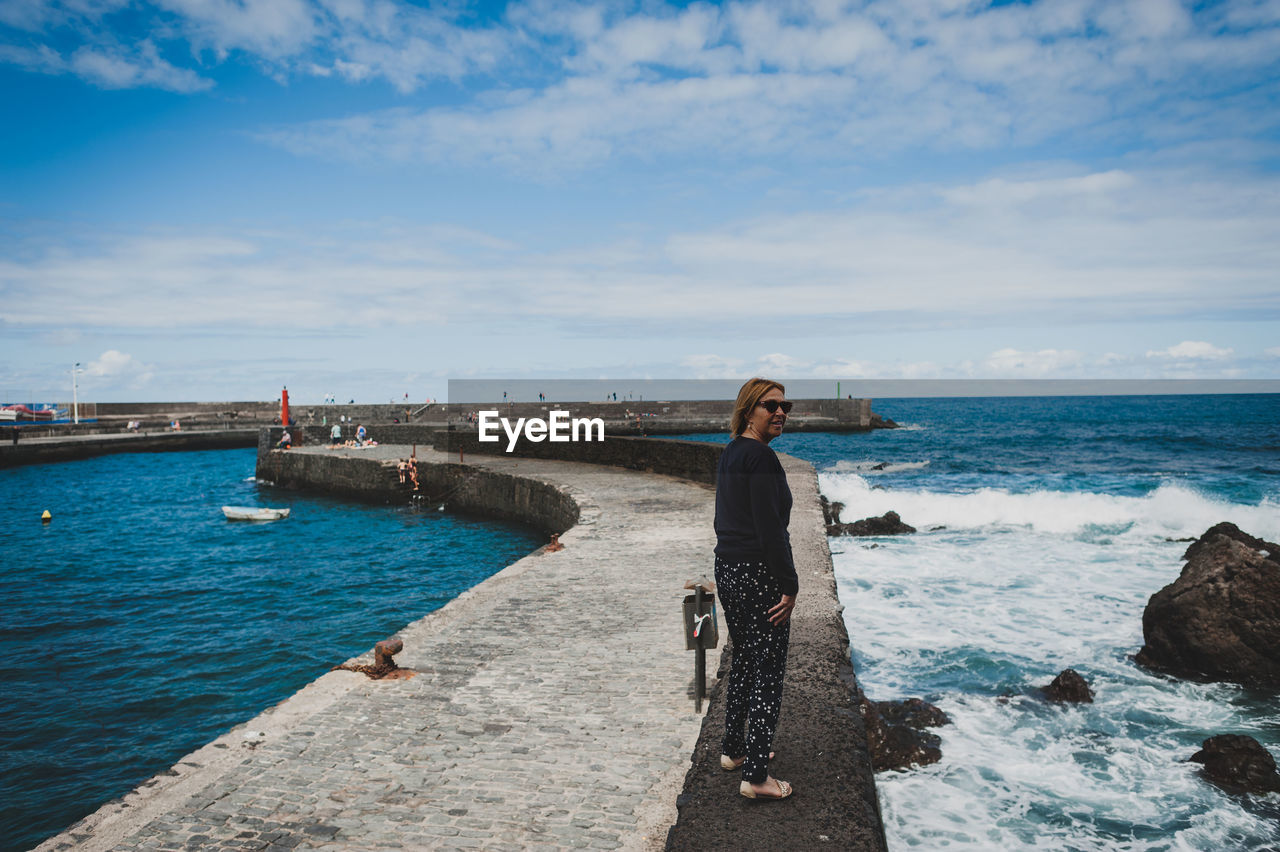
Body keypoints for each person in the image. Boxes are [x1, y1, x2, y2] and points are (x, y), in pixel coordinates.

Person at [713, 377, 797, 800]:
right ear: (750, 411)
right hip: (758, 573)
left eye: (785, 406)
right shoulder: (761, 458)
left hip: (728, 568)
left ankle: (734, 749)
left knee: (745, 659)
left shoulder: (731, 453)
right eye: (771, 406)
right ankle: (758, 776)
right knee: (768, 671)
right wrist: (791, 585)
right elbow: (770, 530)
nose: (780, 412)